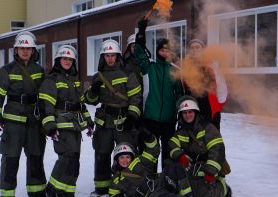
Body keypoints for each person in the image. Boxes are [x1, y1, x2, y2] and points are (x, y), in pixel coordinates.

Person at [0, 31, 47, 197]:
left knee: (36, 159)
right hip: (13, 124)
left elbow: (45, 98)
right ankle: (7, 194)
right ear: (16, 50)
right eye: (22, 48)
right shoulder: (6, 70)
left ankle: (36, 192)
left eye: (28, 48)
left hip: (34, 123)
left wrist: (47, 121)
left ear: (33, 50)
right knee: (10, 160)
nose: (25, 51)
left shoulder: (40, 70)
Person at [85, 39, 142, 196]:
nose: (110, 58)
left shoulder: (128, 74)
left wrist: (132, 116)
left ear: (118, 56)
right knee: (101, 154)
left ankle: (130, 186)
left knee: (127, 154)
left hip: (124, 121)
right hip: (104, 122)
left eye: (113, 55)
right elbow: (90, 101)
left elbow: (136, 97)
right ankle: (102, 187)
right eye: (107, 55)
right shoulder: (98, 76)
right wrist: (93, 91)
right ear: (103, 57)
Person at [38, 45, 94, 196]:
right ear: (58, 60)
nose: (68, 62)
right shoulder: (51, 80)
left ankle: (66, 191)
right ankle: (55, 190)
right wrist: (50, 127)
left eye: (70, 59)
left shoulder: (74, 81)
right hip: (61, 126)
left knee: (74, 160)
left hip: (75, 126)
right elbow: (46, 105)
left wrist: (89, 121)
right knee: (67, 159)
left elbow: (81, 105)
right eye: (65, 58)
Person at [135, 17, 183, 169]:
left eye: (167, 50)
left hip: (169, 119)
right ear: (157, 51)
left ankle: (167, 183)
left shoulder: (175, 71)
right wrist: (141, 32)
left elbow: (179, 94)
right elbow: (139, 51)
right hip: (151, 118)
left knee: (168, 154)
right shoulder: (149, 67)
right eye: (162, 50)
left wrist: (180, 115)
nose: (164, 52)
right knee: (150, 152)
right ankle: (151, 182)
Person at [168, 96, 232, 197]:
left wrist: (210, 171)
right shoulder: (181, 131)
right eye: (184, 113)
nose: (187, 115)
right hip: (193, 166)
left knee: (204, 193)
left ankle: (223, 188)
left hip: (209, 166)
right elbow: (172, 144)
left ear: (195, 113)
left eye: (190, 112)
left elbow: (218, 150)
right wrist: (180, 156)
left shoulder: (208, 128)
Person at [108, 128, 192, 197]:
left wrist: (149, 138)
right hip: (151, 194)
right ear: (116, 160)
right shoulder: (116, 179)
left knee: (176, 167)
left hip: (159, 183)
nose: (125, 160)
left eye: (127, 157)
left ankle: (188, 194)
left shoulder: (139, 161)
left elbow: (154, 150)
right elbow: (113, 194)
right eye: (121, 157)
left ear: (132, 157)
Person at [186, 39, 228, 130]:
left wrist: (217, 107)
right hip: (192, 109)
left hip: (210, 108)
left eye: (197, 47)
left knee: (211, 138)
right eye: (192, 48)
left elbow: (222, 87)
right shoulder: (186, 67)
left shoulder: (213, 65)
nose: (195, 50)